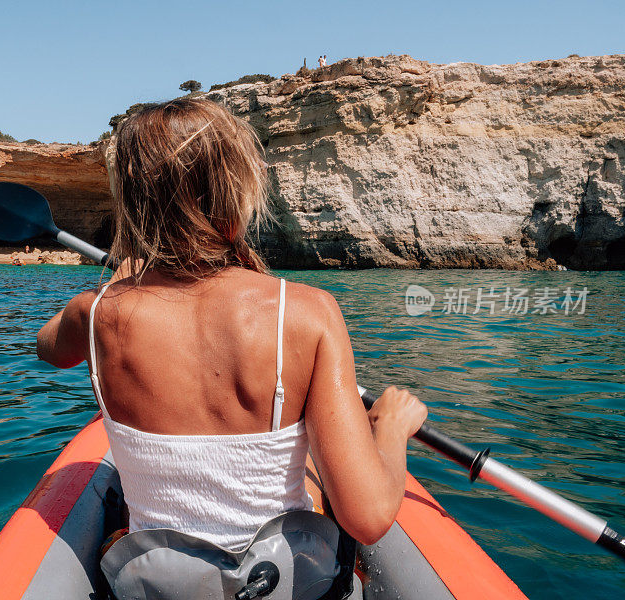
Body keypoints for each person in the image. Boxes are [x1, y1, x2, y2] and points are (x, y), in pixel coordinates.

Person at [36, 98, 427, 553]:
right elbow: (369, 518)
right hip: (277, 581)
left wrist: (121, 281)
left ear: (131, 200)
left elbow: (49, 346)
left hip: (158, 582)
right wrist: (391, 427)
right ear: (236, 192)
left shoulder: (95, 313)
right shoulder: (307, 312)